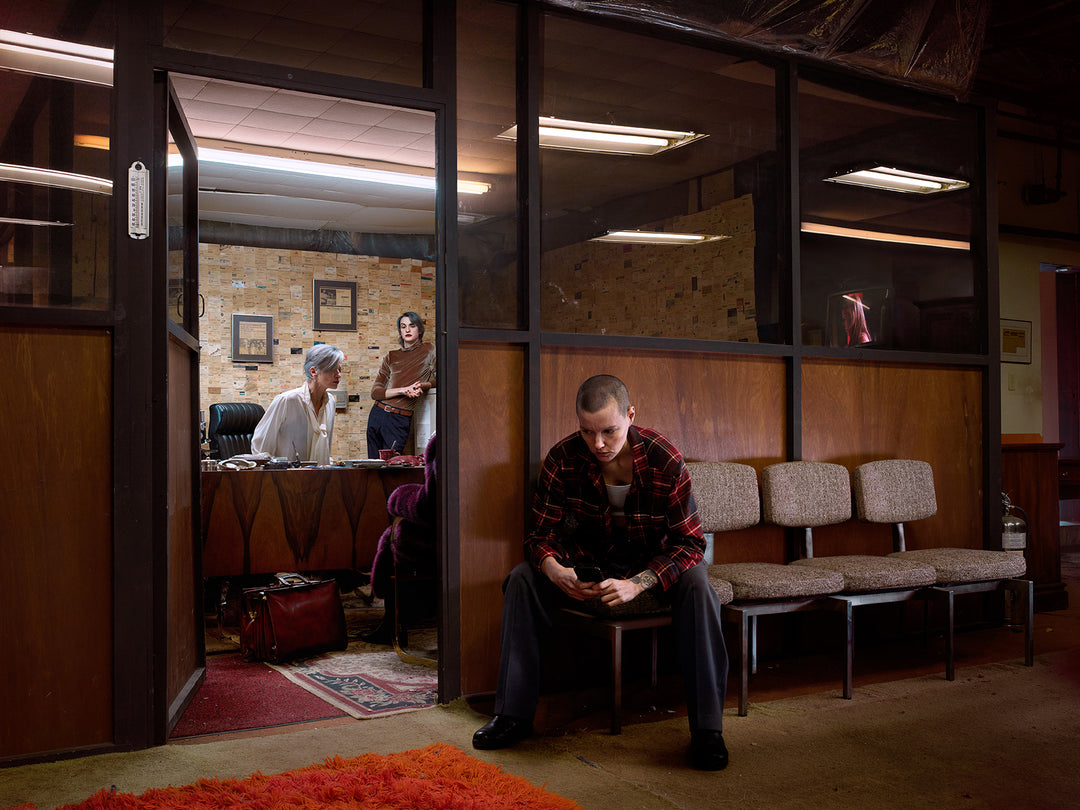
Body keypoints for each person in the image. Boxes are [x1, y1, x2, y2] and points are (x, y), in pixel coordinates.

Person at [472, 374, 730, 771]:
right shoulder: (563, 458)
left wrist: (638, 584)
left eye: (609, 431)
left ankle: (708, 731)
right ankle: (512, 716)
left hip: (651, 571)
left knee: (699, 586)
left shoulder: (665, 458)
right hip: (586, 570)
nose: (598, 444)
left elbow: (691, 544)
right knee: (523, 577)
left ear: (630, 415)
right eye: (587, 431)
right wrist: (555, 570)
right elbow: (540, 535)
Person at [251, 344, 344, 465]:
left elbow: (326, 447)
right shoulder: (286, 400)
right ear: (313, 371)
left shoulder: (330, 402)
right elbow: (260, 449)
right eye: (332, 370)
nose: (339, 375)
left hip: (320, 478)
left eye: (339, 370)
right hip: (286, 478)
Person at [368, 311, 436, 458]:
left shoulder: (429, 350)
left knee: (393, 467)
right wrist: (404, 390)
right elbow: (375, 392)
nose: (407, 330)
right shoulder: (391, 356)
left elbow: (443, 380)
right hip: (377, 414)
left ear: (419, 329)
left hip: (399, 419)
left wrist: (422, 386)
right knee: (372, 468)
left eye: (412, 326)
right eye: (403, 326)